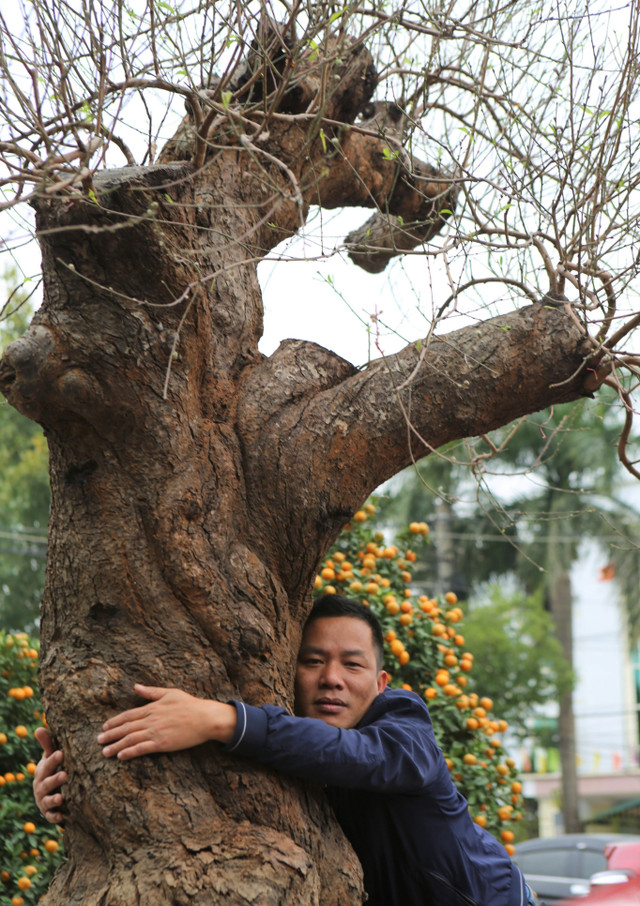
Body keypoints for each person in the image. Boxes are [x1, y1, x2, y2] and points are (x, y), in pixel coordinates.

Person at [34, 594, 536, 906]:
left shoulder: (404, 726)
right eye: (313, 661)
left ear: (382, 682)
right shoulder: (294, 750)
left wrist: (221, 718)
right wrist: (76, 785)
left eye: (352, 665)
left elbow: (359, 756)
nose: (331, 679)